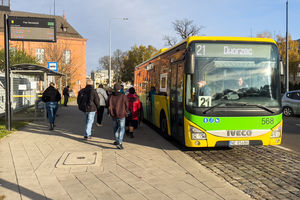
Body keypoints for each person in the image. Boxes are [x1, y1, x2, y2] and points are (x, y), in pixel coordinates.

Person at [109, 83, 128, 149]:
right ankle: (119, 142)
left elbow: (108, 104)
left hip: (113, 114)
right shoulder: (123, 96)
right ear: (120, 89)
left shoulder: (111, 96)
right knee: (122, 128)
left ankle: (117, 141)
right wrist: (126, 111)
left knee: (115, 128)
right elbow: (127, 105)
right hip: (122, 114)